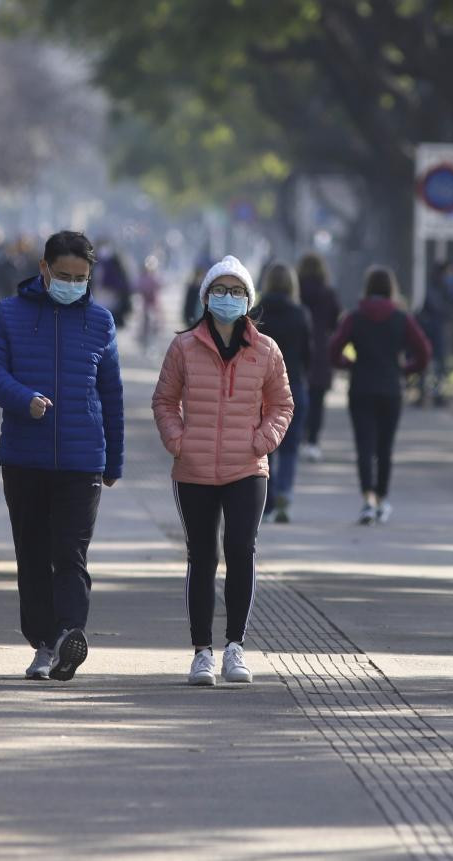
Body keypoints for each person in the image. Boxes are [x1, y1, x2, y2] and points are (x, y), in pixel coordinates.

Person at [0, 231, 124, 682]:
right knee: (34, 555)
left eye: (81, 278)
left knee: (71, 554)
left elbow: (111, 393)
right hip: (25, 459)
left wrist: (114, 459)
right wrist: (25, 400)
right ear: (44, 270)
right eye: (64, 275)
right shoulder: (9, 314)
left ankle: (68, 636)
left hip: (83, 463)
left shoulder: (100, 321)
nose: (72, 283)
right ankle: (43, 642)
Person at [152, 255, 293, 686]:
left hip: (247, 469)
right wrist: (178, 441)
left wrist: (262, 441)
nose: (227, 298)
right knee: (202, 555)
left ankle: (235, 646)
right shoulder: (184, 346)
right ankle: (201, 652)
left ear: (248, 299)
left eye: (236, 291)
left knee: (240, 548)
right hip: (193, 470)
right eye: (220, 290)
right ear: (206, 297)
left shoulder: (266, 350)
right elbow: (164, 401)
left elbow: (282, 405)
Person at [328, 266, 430, 525]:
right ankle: (382, 499)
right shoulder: (401, 318)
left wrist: (349, 365)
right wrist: (405, 370)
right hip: (390, 389)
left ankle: (367, 500)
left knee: (364, 446)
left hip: (361, 387)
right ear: (390, 289)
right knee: (385, 448)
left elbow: (333, 349)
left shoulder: (354, 317)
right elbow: (424, 352)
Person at [253, 263, 312, 523]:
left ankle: (267, 500)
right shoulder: (300, 314)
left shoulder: (256, 314)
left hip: (260, 387)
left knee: (266, 446)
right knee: (290, 446)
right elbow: (308, 353)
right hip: (293, 385)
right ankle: (284, 493)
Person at [297, 253, 342, 463]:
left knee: (294, 397)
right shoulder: (328, 294)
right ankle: (313, 442)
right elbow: (335, 324)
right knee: (317, 400)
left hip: (295, 350)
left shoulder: (295, 292)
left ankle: (297, 437)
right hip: (321, 351)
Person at [417, 260, 453, 407]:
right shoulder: (433, 287)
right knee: (427, 362)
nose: (451, 277)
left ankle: (437, 395)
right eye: (449, 273)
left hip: (437, 329)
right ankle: (423, 393)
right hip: (428, 329)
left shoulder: (445, 287)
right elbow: (437, 306)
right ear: (442, 273)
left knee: (439, 363)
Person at [93, 240, 134, 330]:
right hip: (98, 298)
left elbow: (123, 283)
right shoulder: (94, 262)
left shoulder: (116, 262)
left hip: (113, 299)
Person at [134, 254, 163, 353]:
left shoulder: (154, 277)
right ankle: (145, 344)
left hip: (153, 304)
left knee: (153, 325)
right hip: (145, 305)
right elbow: (138, 287)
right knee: (145, 325)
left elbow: (159, 285)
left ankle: (151, 344)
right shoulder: (142, 278)